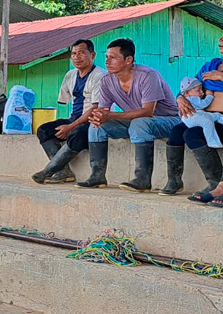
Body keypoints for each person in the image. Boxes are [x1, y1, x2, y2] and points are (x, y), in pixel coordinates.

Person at [76, 39, 181, 192]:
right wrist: (98, 116)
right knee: (96, 126)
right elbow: (104, 110)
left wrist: (110, 115)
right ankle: (97, 176)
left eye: (113, 57)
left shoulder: (147, 75)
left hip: (169, 121)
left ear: (128, 60)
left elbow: (147, 111)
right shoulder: (106, 80)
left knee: (141, 123)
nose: (107, 61)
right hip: (137, 122)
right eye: (106, 57)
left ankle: (142, 179)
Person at [31, 39, 106, 184]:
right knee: (44, 130)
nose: (77, 57)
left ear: (93, 55)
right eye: (74, 54)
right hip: (75, 118)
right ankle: (63, 171)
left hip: (94, 120)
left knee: (78, 133)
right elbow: (66, 100)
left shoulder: (100, 76)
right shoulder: (70, 75)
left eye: (82, 53)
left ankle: (49, 170)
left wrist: (71, 127)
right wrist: (70, 124)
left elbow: (96, 108)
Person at [176, 35, 223, 199]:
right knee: (187, 133)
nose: (221, 45)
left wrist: (221, 77)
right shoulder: (211, 66)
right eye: (220, 43)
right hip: (208, 114)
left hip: (218, 117)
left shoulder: (217, 73)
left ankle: (220, 189)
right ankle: (214, 183)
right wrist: (180, 98)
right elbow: (190, 85)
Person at [177, 78, 221, 146]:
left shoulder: (189, 96)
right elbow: (203, 104)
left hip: (195, 116)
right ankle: (212, 142)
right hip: (193, 116)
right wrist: (210, 96)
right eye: (198, 90)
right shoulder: (193, 98)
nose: (202, 92)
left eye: (202, 89)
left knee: (216, 116)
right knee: (207, 122)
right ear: (187, 93)